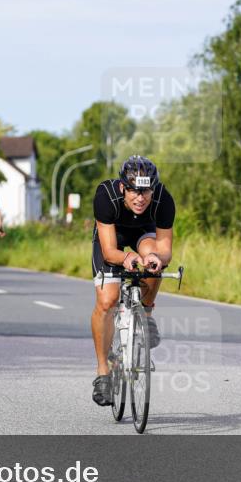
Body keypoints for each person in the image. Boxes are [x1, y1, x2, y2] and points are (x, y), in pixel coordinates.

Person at [90, 155, 175, 406]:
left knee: (152, 259)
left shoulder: (163, 200)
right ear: (122, 188)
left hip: (143, 234)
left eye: (145, 191)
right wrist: (127, 257)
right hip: (112, 237)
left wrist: (155, 259)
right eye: (134, 191)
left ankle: (145, 315)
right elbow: (109, 252)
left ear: (153, 189)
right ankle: (103, 372)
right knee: (108, 300)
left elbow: (165, 250)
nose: (140, 198)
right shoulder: (106, 196)